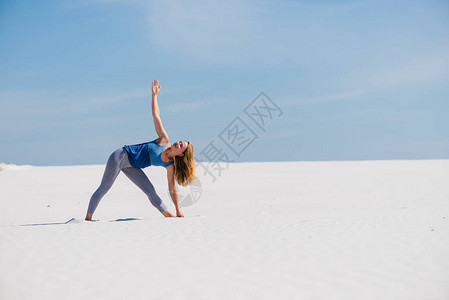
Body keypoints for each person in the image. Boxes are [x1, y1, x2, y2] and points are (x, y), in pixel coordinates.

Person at [85, 79, 195, 220]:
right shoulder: (163, 140)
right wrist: (154, 95)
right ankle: (88, 219)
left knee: (150, 191)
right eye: (179, 141)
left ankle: (170, 216)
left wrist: (178, 210)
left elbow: (172, 188)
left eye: (180, 146)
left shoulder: (170, 166)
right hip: (120, 156)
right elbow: (156, 116)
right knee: (104, 188)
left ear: (181, 154)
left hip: (132, 166)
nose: (177, 143)